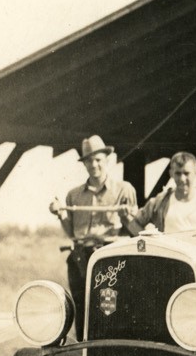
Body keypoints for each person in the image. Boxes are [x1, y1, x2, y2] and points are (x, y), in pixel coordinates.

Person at [49, 135, 137, 333]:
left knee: (108, 308)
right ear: (84, 164)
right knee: (81, 307)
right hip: (80, 257)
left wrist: (127, 218)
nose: (94, 164)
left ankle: (108, 354)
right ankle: (83, 355)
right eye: (89, 160)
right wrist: (60, 213)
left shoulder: (124, 190)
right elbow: (71, 232)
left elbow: (135, 230)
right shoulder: (74, 195)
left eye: (98, 159)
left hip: (109, 258)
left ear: (107, 160)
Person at [125, 151, 196, 234]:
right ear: (171, 174)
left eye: (186, 173)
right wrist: (151, 241)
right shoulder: (161, 201)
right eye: (178, 173)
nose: (182, 178)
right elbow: (133, 224)